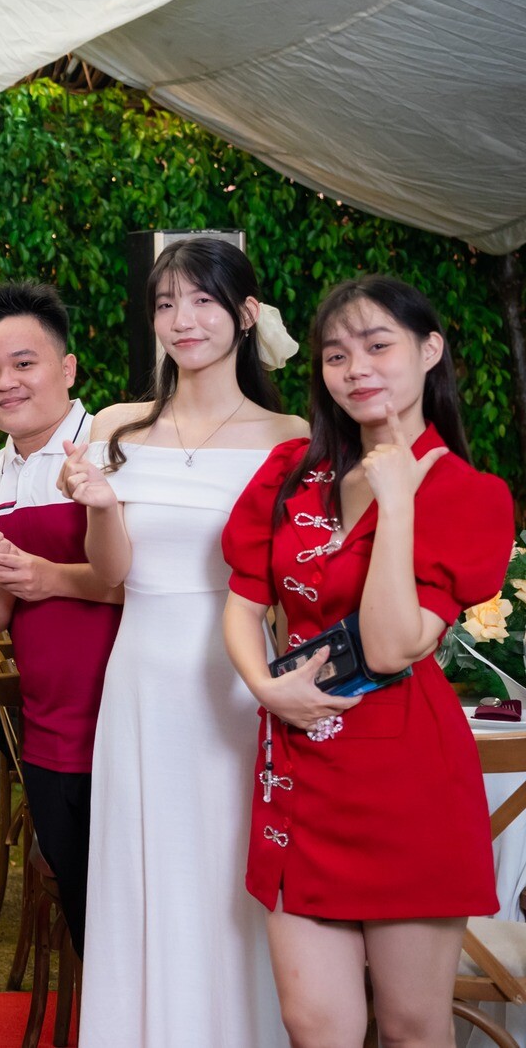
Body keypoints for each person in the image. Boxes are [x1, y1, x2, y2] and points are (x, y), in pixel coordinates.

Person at [222, 277, 512, 1048]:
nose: (356, 369)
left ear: (430, 349)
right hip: (299, 766)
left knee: (413, 1026)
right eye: (336, 355)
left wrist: (400, 498)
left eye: (378, 346)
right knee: (315, 1023)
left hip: (408, 780)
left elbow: (388, 646)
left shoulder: (470, 494)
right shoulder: (294, 468)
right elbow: (243, 600)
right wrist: (265, 686)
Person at [57, 237, 306, 1048]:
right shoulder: (118, 424)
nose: (182, 319)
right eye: (166, 303)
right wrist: (100, 504)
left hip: (240, 682)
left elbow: (294, 580)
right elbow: (111, 572)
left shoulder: (291, 435)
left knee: (231, 871)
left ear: (246, 314)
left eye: (202, 300)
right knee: (143, 868)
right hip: (141, 675)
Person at [0, 282, 119, 955]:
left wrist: (51, 576)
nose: (5, 383)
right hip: (49, 728)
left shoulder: (114, 448)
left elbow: (154, 584)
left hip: (127, 715)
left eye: (24, 363)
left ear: (68, 368)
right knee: (87, 918)